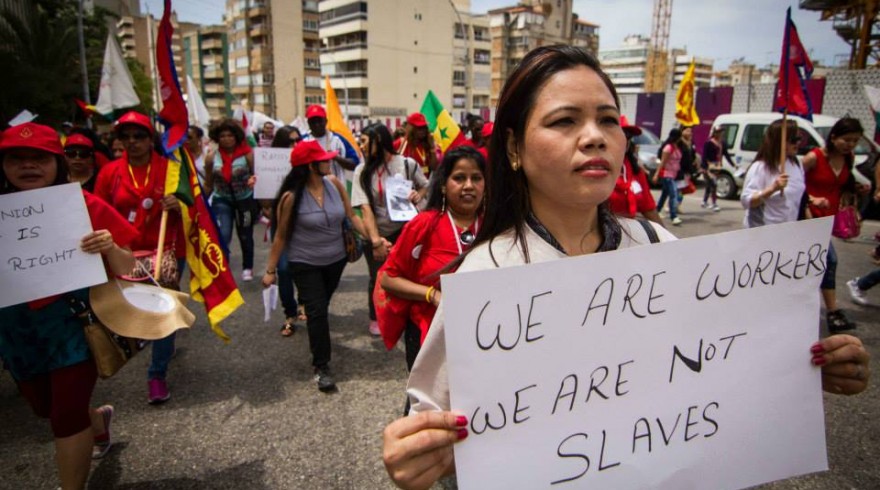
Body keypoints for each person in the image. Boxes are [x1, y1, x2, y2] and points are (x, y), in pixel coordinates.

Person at [381, 44, 871, 490]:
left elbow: (722, 362)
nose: (595, 137)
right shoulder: (482, 277)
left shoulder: (659, 247)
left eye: (608, 119)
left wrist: (803, 368)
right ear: (513, 148)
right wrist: (422, 457)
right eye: (564, 121)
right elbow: (432, 417)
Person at [0, 122, 138, 488]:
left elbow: (130, 267)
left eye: (39, 159)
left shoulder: (81, 205)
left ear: (57, 163)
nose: (28, 166)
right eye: (17, 158)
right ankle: (97, 420)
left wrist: (109, 246)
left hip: (72, 325)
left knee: (64, 415)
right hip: (15, 329)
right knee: (44, 407)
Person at [93, 111, 184, 404]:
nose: (132, 142)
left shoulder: (171, 169)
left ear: (151, 139)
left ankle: (156, 374)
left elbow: (196, 212)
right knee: (135, 311)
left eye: (139, 136)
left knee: (163, 311)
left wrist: (180, 205)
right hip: (125, 254)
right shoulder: (109, 173)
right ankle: (155, 344)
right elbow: (97, 213)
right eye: (126, 137)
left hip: (165, 251)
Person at [261, 140, 366, 392]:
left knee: (321, 303)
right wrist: (270, 270)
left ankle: (313, 316)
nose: (329, 161)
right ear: (310, 166)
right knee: (317, 311)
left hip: (336, 260)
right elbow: (281, 237)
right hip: (304, 262)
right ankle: (321, 366)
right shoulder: (290, 198)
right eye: (324, 159)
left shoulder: (335, 184)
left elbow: (351, 216)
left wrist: (372, 238)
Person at [379, 146, 487, 375]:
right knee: (429, 404)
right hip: (429, 332)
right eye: (459, 178)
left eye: (476, 178)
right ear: (443, 185)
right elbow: (389, 279)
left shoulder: (496, 227)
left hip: (485, 334)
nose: (469, 185)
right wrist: (432, 295)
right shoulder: (423, 225)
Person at [352, 123, 429, 336]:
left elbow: (425, 185)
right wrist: (376, 241)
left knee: (403, 275)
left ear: (379, 140)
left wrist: (418, 195)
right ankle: (376, 316)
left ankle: (404, 315)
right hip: (375, 233)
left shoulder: (407, 164)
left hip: (404, 231)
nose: (361, 144)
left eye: (365, 140)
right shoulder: (362, 170)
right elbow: (365, 209)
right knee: (377, 276)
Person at [803, 117, 869, 333]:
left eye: (855, 141)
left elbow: (843, 185)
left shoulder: (848, 158)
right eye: (847, 139)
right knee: (829, 260)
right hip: (807, 219)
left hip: (827, 219)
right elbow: (794, 186)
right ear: (834, 137)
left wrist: (856, 190)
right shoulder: (814, 158)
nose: (850, 145)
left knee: (812, 266)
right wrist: (811, 199)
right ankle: (832, 313)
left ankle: (809, 307)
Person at [204, 118, 257, 281]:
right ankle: (223, 266)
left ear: (236, 137)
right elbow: (209, 183)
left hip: (245, 200)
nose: (226, 139)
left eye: (230, 135)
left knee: (245, 234)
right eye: (222, 136)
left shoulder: (248, 155)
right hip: (222, 200)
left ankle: (247, 267)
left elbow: (256, 175)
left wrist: (254, 182)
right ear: (217, 138)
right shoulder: (211, 157)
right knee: (223, 234)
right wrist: (199, 203)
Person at [269, 125, 306, 336]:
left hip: (303, 224)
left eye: (297, 140)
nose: (294, 145)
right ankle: (289, 313)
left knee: (303, 265)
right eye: (290, 142)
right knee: (283, 269)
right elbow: (266, 207)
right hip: (282, 223)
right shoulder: (270, 164)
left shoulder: (305, 165)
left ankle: (304, 303)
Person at [740, 119, 805, 228]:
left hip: (787, 232)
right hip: (763, 233)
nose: (798, 143)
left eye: (800, 139)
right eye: (794, 140)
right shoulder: (760, 167)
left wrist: (813, 200)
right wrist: (772, 189)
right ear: (779, 141)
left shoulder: (797, 164)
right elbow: (746, 201)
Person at [608, 116, 662, 225]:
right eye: (617, 135)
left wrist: (666, 238)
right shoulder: (590, 171)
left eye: (627, 136)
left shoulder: (636, 172)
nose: (624, 140)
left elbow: (648, 207)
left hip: (630, 235)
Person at [304, 104, 357, 182]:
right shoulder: (303, 141)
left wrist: (337, 157)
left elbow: (355, 164)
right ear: (308, 123)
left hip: (336, 190)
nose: (316, 124)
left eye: (319, 120)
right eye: (313, 121)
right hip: (311, 190)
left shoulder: (338, 140)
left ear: (326, 121)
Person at [652, 128, 683, 225]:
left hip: (674, 175)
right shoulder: (668, 148)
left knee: (665, 194)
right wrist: (657, 174)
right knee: (673, 194)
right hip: (667, 175)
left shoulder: (676, 147)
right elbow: (663, 162)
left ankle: (656, 210)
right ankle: (673, 216)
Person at [701, 126, 732, 211]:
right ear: (715, 133)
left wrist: (733, 164)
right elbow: (704, 155)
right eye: (719, 132)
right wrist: (704, 167)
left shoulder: (722, 143)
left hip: (717, 166)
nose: (721, 134)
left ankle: (704, 201)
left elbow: (726, 154)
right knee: (714, 184)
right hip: (709, 166)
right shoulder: (709, 143)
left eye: (722, 132)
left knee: (709, 184)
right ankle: (714, 204)